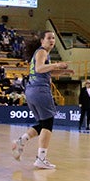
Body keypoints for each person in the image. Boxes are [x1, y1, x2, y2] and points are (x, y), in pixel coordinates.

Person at [12, 30, 68, 169]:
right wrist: (57, 65)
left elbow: (45, 70)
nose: (52, 40)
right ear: (42, 41)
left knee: (43, 123)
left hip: (32, 91)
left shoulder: (41, 53)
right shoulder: (42, 52)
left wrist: (63, 71)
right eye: (49, 38)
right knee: (48, 124)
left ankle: (21, 141)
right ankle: (41, 158)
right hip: (40, 90)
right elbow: (40, 68)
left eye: (53, 38)